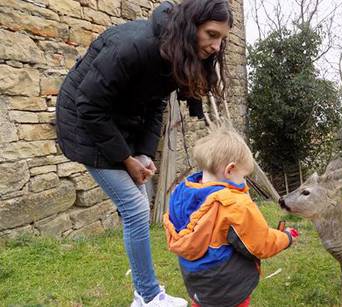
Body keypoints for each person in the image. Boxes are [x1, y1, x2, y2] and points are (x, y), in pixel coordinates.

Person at [55, 0, 234, 306]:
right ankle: (147, 296)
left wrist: (144, 153)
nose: (216, 46)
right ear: (191, 26)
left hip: (118, 124)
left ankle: (141, 276)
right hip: (84, 124)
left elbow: (155, 104)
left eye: (222, 39)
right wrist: (126, 159)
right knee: (136, 209)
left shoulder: (173, 53)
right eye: (211, 34)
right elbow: (89, 106)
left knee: (139, 198)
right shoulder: (135, 46)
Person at [163, 126, 299, 307]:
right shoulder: (234, 204)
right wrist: (286, 237)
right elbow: (261, 243)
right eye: (243, 177)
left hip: (198, 284)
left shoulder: (180, 193)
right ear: (230, 170)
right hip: (229, 288)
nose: (244, 183)